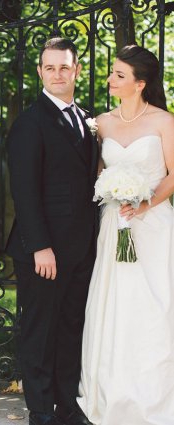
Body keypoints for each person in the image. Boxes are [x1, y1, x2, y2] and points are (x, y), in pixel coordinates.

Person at [78, 45, 174, 425]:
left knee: (154, 307)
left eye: (119, 75)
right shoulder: (101, 123)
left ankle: (156, 398)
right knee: (114, 308)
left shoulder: (164, 121)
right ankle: (111, 394)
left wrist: (146, 203)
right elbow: (98, 174)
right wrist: (115, 194)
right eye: (111, 73)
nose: (110, 80)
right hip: (114, 225)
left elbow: (173, 175)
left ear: (141, 83)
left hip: (154, 227)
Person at [6, 37, 99, 425]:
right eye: (50, 67)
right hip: (44, 251)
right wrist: (40, 246)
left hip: (81, 247)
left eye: (64, 67)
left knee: (71, 328)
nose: (57, 74)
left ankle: (67, 406)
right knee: (40, 332)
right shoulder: (30, 121)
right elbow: (24, 191)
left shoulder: (87, 118)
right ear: (41, 72)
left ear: (76, 70)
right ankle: (41, 411)